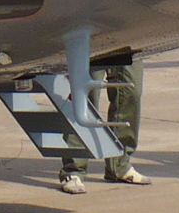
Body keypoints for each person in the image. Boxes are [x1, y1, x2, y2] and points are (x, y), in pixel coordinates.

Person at [59, 55, 147, 193]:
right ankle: (74, 169)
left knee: (131, 91)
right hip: (92, 45)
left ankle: (120, 165)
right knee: (85, 93)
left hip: (127, 44)